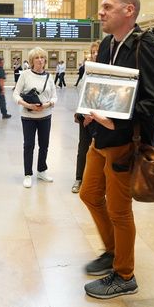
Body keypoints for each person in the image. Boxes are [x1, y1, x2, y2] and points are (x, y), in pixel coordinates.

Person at [78, 0, 154, 299]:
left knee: (119, 210)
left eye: (107, 7)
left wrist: (117, 120)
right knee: (89, 194)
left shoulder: (150, 46)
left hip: (124, 142)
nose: (100, 12)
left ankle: (124, 274)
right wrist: (86, 113)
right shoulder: (106, 44)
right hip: (99, 137)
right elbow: (98, 86)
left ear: (128, 11)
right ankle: (113, 251)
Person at [13, 47, 58, 188]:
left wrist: (48, 104)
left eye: (42, 57)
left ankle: (42, 170)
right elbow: (15, 94)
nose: (40, 60)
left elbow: (55, 96)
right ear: (32, 61)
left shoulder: (49, 77)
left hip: (45, 115)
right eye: (36, 58)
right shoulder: (25, 75)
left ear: (45, 60)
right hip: (28, 116)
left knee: (44, 145)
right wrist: (27, 104)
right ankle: (27, 174)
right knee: (29, 145)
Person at [72, 41, 100, 193]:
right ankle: (79, 178)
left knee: (101, 150)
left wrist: (93, 115)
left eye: (98, 51)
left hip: (100, 118)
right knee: (83, 148)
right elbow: (82, 92)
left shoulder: (107, 69)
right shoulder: (87, 70)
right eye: (93, 51)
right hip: (85, 117)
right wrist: (82, 113)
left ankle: (98, 182)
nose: (95, 54)